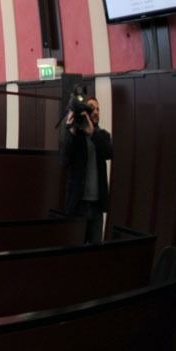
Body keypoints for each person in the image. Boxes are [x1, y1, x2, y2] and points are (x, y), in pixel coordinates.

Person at [60, 97, 112, 243]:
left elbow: (109, 153)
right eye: (91, 108)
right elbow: (63, 161)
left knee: (95, 251)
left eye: (98, 109)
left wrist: (92, 133)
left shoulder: (103, 135)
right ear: (85, 112)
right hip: (78, 206)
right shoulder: (75, 136)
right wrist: (71, 131)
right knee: (75, 249)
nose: (95, 112)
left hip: (96, 207)